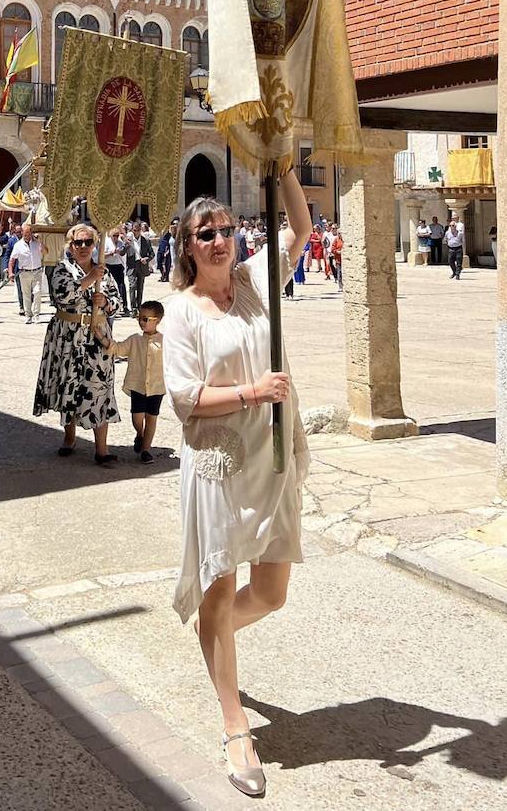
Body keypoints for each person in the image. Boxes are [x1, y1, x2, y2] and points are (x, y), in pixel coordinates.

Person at [161, 172, 312, 799]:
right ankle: (234, 725)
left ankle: (211, 636)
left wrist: (282, 169)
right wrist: (253, 392)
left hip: (271, 457)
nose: (221, 240)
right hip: (219, 464)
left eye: (226, 229)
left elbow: (302, 230)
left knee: (271, 593)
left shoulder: (254, 282)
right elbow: (185, 399)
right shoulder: (181, 313)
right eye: (207, 233)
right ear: (189, 247)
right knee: (220, 591)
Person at [33, 222, 122, 465]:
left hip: (97, 336)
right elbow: (62, 295)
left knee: (99, 388)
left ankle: (101, 449)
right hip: (68, 335)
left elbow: (119, 303)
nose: (83, 247)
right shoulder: (62, 269)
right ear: (70, 245)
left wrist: (105, 302)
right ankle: (69, 436)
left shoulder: (104, 271)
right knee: (69, 384)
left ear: (95, 245)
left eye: (88, 242)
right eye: (78, 242)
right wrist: (87, 280)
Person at [110, 300, 165, 463]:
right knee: (137, 416)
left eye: (146, 319)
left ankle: (146, 449)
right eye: (139, 318)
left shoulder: (166, 341)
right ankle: (139, 434)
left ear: (158, 320)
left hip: (156, 386)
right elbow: (118, 349)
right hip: (137, 385)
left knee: (152, 417)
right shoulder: (134, 339)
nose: (141, 322)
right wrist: (104, 340)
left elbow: (176, 361)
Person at [9, 221, 44, 324]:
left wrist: (40, 242)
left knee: (37, 292)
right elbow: (12, 260)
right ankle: (28, 315)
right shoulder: (18, 245)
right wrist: (10, 272)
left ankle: (36, 315)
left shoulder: (37, 243)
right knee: (26, 295)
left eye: (29, 234)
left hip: (37, 271)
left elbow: (46, 251)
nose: (27, 236)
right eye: (25, 234)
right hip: (24, 273)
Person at [126, 220, 154, 314]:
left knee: (140, 287)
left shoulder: (145, 241)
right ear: (132, 230)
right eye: (134, 230)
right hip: (132, 266)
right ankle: (133, 308)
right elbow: (122, 252)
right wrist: (126, 245)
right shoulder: (129, 241)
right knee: (132, 286)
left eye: (138, 230)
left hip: (141, 266)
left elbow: (152, 254)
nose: (136, 232)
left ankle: (139, 306)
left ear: (140, 230)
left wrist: (146, 259)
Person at [105, 227, 130, 317]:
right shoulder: (106, 242)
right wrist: (111, 253)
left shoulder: (120, 243)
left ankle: (125, 305)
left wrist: (125, 248)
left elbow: (123, 253)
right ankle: (110, 305)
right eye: (114, 236)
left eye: (117, 236)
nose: (115, 237)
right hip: (109, 265)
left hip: (118, 265)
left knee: (121, 284)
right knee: (108, 285)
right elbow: (102, 255)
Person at [329, 225, 344, 290]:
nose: (340, 234)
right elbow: (332, 248)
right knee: (339, 272)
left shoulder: (345, 240)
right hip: (338, 259)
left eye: (341, 233)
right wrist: (337, 252)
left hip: (345, 260)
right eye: (339, 233)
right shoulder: (336, 239)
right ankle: (340, 286)